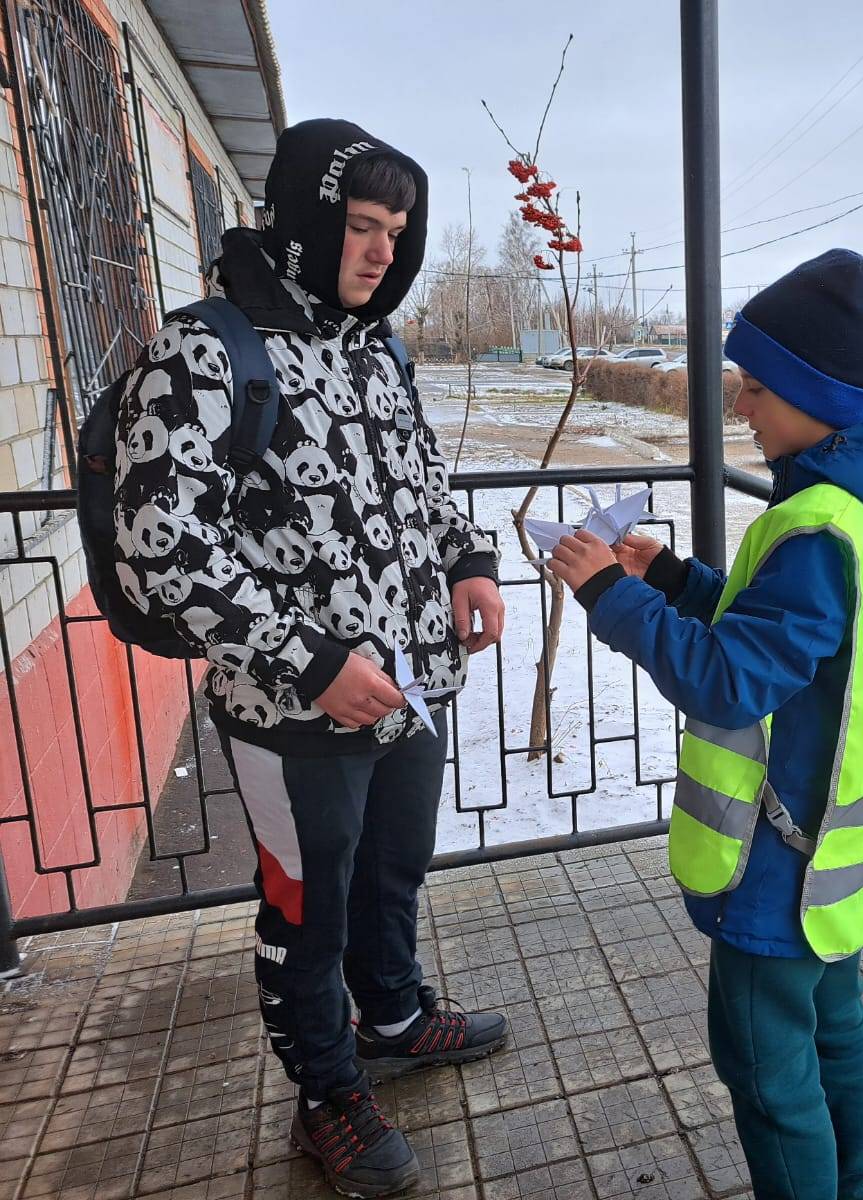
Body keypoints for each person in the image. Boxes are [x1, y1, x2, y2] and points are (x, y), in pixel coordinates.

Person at [112, 119, 508, 1198]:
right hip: (297, 712)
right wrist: (309, 657)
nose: (382, 250)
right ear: (303, 220)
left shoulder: (378, 348)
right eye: (361, 226)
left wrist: (466, 559)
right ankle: (326, 1093)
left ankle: (391, 1016)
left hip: (411, 686)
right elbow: (163, 552)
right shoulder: (205, 350)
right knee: (306, 902)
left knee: (392, 871)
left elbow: (420, 479)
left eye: (397, 230)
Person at [546, 248, 863, 1200]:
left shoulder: (816, 526)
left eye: (756, 385)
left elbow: (732, 682)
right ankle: (857, 1185)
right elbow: (774, 633)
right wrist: (670, 579)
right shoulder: (845, 510)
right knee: (836, 1032)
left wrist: (609, 593)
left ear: (811, 395)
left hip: (778, 862)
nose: (741, 404)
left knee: (768, 1076)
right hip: (830, 852)